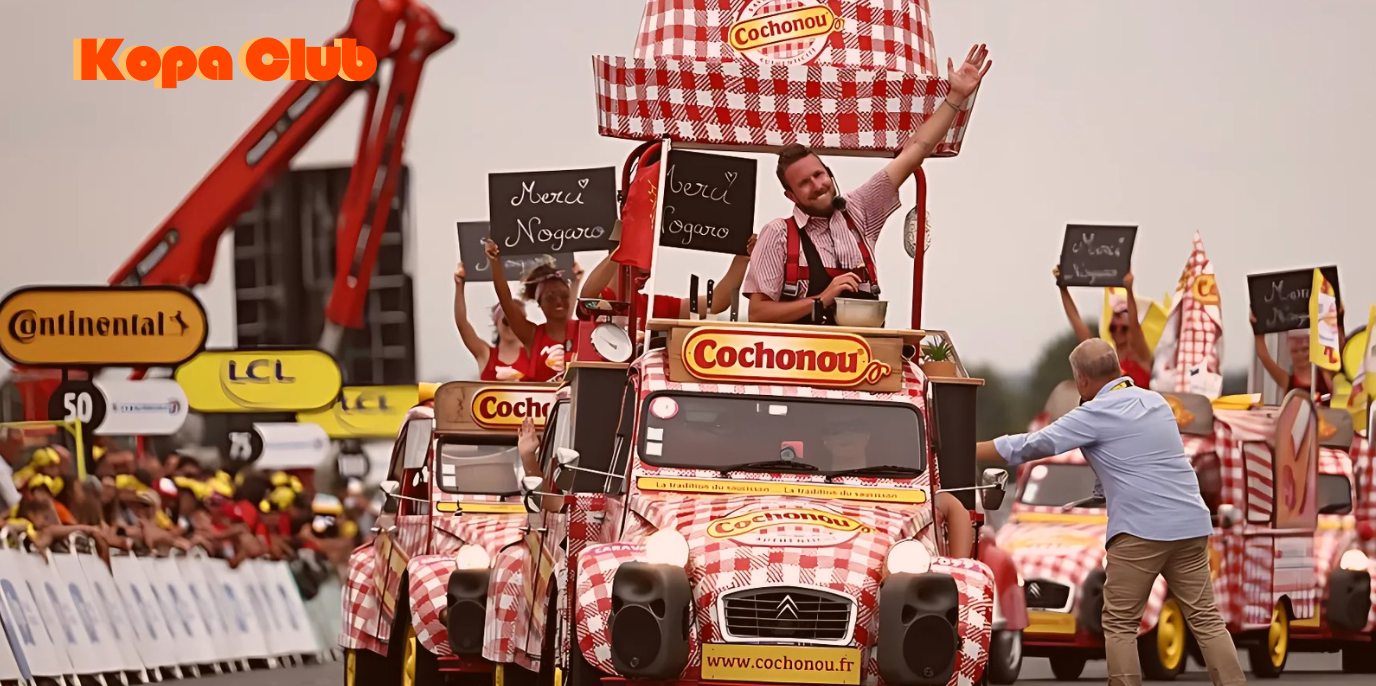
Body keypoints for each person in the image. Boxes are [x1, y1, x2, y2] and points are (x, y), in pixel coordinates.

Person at [974, 339, 1244, 686]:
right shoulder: (1157, 403)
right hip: (1190, 523)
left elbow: (1029, 445)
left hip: (1141, 530)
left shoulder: (1094, 414)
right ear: (1117, 369)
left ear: (1082, 380)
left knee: (1120, 623)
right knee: (1206, 619)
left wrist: (965, 448)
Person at [743, 44, 992, 325]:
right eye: (804, 183)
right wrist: (822, 299)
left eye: (819, 175)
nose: (817, 185)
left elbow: (916, 150)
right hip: (801, 351)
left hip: (864, 349)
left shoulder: (859, 209)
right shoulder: (777, 234)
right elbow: (757, 314)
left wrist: (956, 96)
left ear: (829, 173)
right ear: (791, 195)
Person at [580, 235, 757, 319]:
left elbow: (715, 303)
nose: (644, 276)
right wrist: (624, 247)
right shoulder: (600, 303)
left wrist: (741, 260)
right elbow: (587, 297)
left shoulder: (651, 306)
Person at [484, 240, 583, 382]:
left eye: (564, 295)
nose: (558, 301)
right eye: (551, 297)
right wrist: (495, 263)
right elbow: (506, 302)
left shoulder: (583, 330)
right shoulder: (533, 336)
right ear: (539, 303)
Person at [1054, 266, 1153, 388]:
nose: (1118, 331)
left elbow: (1135, 326)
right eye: (1113, 328)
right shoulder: (1105, 357)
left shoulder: (1140, 356)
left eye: (1123, 328)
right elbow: (1077, 323)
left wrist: (1129, 290)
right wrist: (1063, 289)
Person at [453, 262, 530, 381]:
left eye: (517, 321)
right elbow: (462, 324)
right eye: (506, 321)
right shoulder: (486, 354)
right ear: (496, 322)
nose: (511, 326)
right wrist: (459, 286)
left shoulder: (533, 355)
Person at [1250, 310, 1343, 404]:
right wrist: (1257, 328)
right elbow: (1264, 357)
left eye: (1305, 349)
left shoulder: (1325, 374)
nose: (1300, 354)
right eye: (1295, 351)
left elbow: (1340, 348)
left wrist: (1338, 317)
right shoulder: (1286, 381)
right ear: (1290, 353)